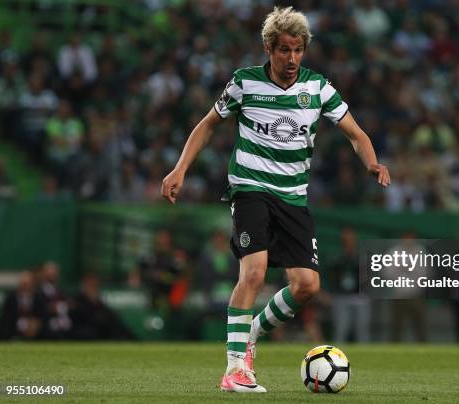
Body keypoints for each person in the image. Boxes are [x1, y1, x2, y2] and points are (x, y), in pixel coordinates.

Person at [161, 6, 390, 393]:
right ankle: (235, 369)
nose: (292, 58)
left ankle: (250, 332)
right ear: (269, 48)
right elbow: (206, 126)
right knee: (254, 272)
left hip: (293, 197)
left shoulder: (317, 88)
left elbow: (357, 134)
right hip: (249, 188)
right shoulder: (244, 83)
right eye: (284, 50)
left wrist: (371, 162)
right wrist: (180, 168)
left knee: (306, 286)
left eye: (298, 50)